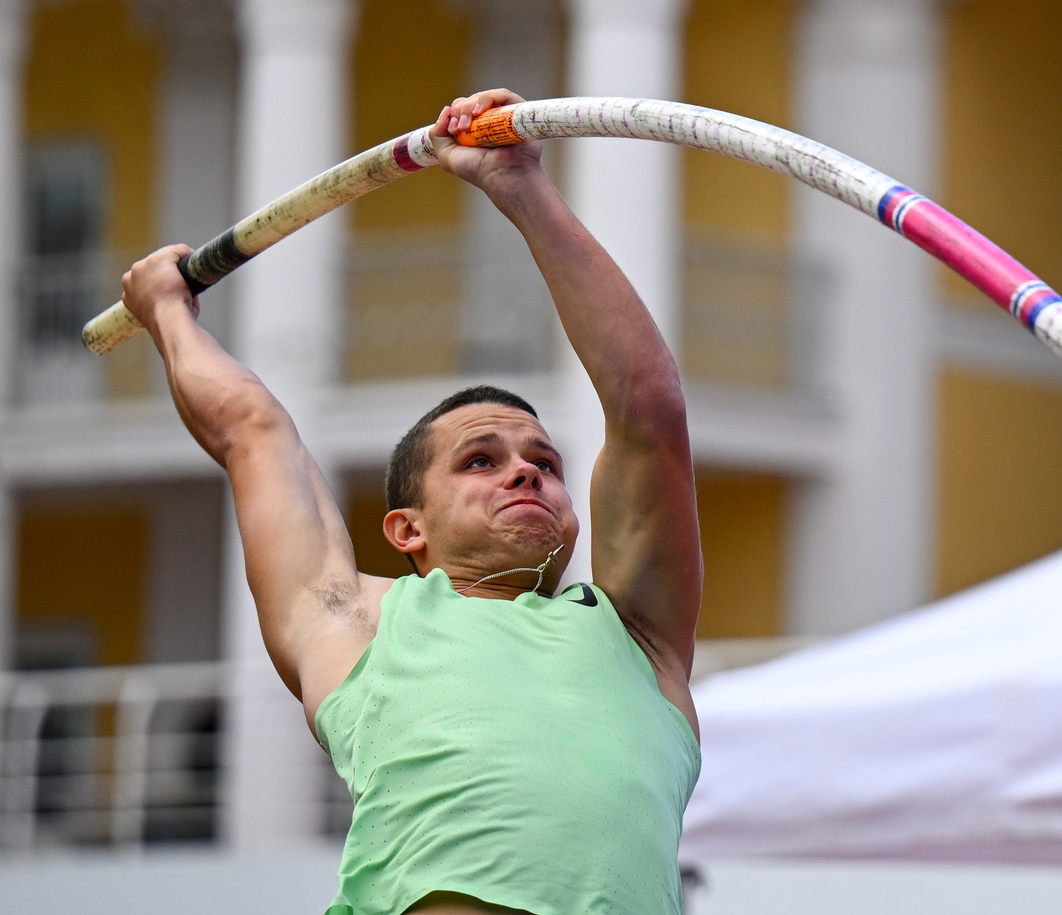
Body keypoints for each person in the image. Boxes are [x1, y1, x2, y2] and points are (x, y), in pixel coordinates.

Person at [120, 88, 702, 915]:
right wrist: (168, 314)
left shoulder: (640, 638)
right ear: (408, 530)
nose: (526, 472)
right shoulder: (353, 622)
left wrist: (521, 188)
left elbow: (647, 407)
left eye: (544, 461)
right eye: (480, 460)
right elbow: (253, 432)